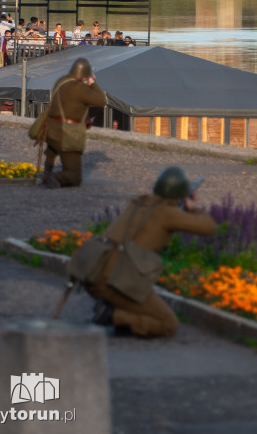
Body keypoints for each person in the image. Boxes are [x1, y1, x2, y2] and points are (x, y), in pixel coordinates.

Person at [84, 166, 216, 338]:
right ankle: (112, 315)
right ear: (182, 194)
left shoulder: (140, 202)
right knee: (168, 324)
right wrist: (192, 207)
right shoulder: (167, 213)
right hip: (117, 282)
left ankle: (121, 317)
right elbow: (209, 227)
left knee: (143, 304)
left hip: (93, 272)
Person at [42, 58, 107, 189]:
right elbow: (101, 100)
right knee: (75, 177)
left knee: (54, 146)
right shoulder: (80, 88)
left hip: (50, 130)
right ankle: (53, 177)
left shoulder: (61, 81)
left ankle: (48, 165)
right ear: (85, 74)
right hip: (67, 134)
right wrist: (92, 83)